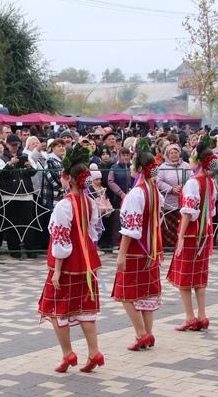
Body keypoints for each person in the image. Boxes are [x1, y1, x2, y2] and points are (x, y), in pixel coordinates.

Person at [38, 144, 104, 373]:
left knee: (57, 309)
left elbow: (60, 240)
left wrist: (56, 270)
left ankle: (68, 353)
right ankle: (94, 351)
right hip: (86, 261)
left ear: (69, 178)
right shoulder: (89, 202)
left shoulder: (64, 205)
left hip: (68, 264)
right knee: (85, 308)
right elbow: (92, 233)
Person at [113, 147, 164, 350]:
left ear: (140, 168)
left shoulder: (137, 192)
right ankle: (147, 334)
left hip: (137, 249)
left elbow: (130, 228)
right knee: (145, 295)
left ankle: (141, 333)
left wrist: (122, 254)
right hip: (150, 247)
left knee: (125, 294)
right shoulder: (154, 190)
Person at [166, 139, 217, 331]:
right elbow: (211, 210)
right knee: (199, 275)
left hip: (190, 235)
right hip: (204, 233)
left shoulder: (193, 183)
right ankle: (202, 315)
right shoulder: (210, 181)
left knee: (186, 277)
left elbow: (188, 211)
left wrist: (180, 235)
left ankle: (190, 316)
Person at [156, 144, 189, 249]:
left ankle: (182, 243)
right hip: (169, 200)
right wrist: (171, 189)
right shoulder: (162, 167)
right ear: (167, 154)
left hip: (184, 199)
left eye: (176, 152)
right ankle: (170, 245)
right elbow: (158, 181)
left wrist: (184, 186)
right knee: (169, 225)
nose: (174, 155)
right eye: (171, 153)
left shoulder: (186, 166)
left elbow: (192, 177)